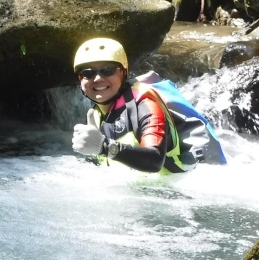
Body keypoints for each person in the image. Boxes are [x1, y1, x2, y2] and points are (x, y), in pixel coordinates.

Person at [71, 37, 195, 173]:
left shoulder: (145, 104)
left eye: (108, 70)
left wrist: (104, 146)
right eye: (88, 73)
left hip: (166, 190)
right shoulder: (95, 114)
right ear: (80, 79)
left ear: (123, 73)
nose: (98, 78)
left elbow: (155, 160)